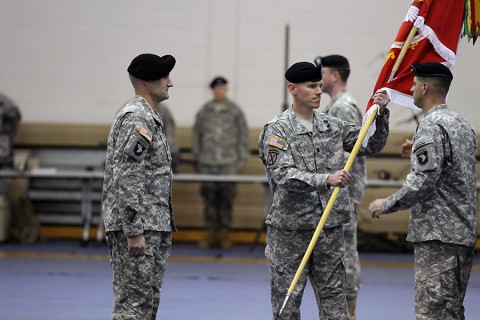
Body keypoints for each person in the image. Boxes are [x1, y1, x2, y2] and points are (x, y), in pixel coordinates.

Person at [259, 61, 390, 319]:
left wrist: (381, 113)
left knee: (334, 304)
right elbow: (283, 174)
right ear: (293, 89)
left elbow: (370, 143)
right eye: (311, 86)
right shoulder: (277, 129)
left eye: (320, 85)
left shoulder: (331, 126)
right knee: (287, 304)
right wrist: (325, 179)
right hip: (291, 231)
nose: (318, 91)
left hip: (328, 230)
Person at [369, 62, 477, 319]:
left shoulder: (430, 127)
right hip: (461, 234)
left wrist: (386, 204)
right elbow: (449, 173)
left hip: (438, 237)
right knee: (451, 312)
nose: (411, 87)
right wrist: (416, 153)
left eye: (415, 83)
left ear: (425, 87)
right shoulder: (461, 124)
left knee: (433, 313)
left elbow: (423, 182)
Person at [102, 53, 177, 320]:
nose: (170, 82)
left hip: (152, 223)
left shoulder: (150, 117)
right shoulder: (137, 118)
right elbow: (126, 175)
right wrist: (133, 230)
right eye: (165, 76)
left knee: (145, 305)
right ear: (147, 80)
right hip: (139, 226)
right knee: (132, 307)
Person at [315, 54, 365, 319]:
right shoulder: (336, 104)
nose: (317, 79)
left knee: (345, 249)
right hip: (337, 191)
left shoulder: (343, 107)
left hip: (342, 193)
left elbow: (349, 153)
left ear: (334, 76)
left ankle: (349, 310)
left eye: (321, 73)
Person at [192, 76, 250, 249]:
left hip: (229, 163)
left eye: (222, 88)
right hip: (208, 163)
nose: (218, 91)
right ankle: (210, 235)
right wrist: (197, 158)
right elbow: (197, 136)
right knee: (209, 200)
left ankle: (225, 235)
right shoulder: (204, 111)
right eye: (215, 89)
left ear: (226, 89)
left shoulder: (235, 111)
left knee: (227, 200)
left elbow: (243, 136)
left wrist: (242, 159)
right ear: (212, 90)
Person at [155, 103, 181, 172]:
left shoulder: (163, 110)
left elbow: (170, 133)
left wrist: (172, 152)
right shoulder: (132, 109)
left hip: (162, 156)